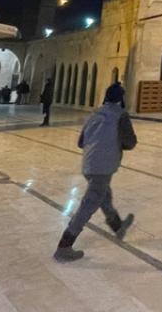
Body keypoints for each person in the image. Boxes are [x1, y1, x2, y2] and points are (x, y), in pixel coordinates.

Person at [54, 85, 137, 262]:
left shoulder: (96, 113)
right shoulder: (120, 115)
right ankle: (65, 245)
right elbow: (130, 142)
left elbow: (81, 141)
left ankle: (117, 225)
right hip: (103, 166)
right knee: (89, 204)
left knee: (104, 195)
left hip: (89, 164)